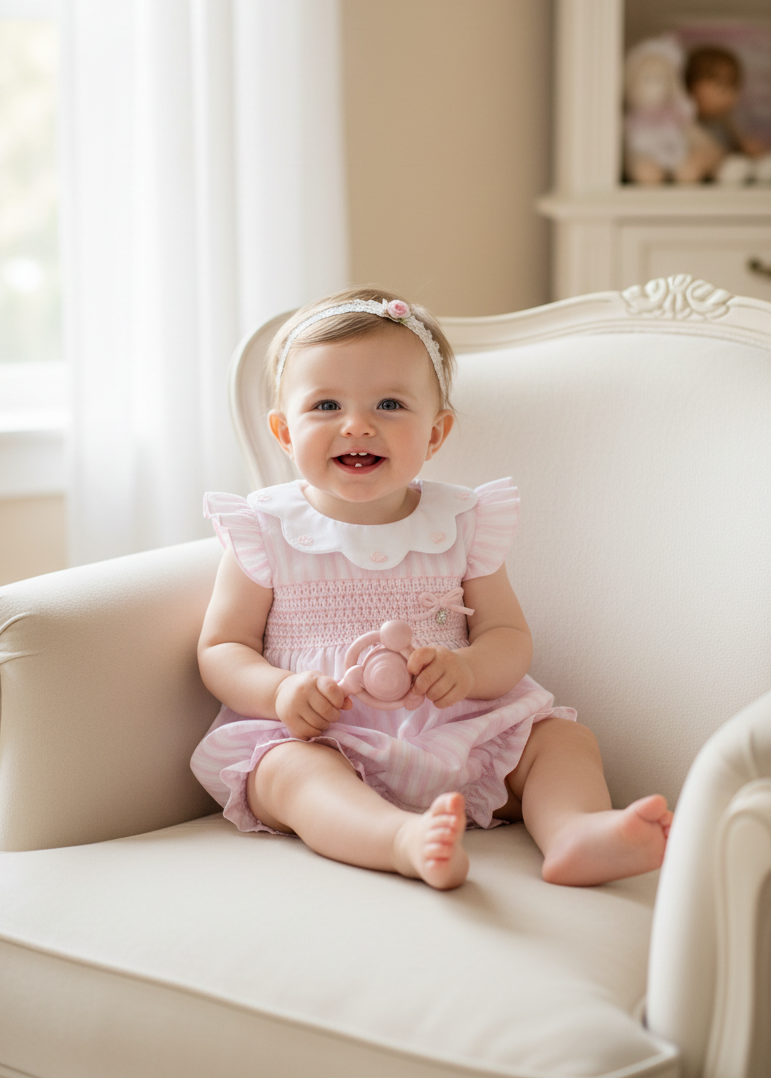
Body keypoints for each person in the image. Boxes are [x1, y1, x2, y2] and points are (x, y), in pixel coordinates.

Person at [191, 287, 672, 890]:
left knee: (562, 740)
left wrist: (468, 670)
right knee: (289, 773)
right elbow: (223, 648)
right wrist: (280, 691)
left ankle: (575, 831)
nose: (357, 424)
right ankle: (399, 840)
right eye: (326, 405)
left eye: (390, 403)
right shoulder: (265, 529)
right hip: (322, 737)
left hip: (458, 736)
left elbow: (507, 635)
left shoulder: (463, 523)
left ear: (435, 433)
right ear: (285, 432)